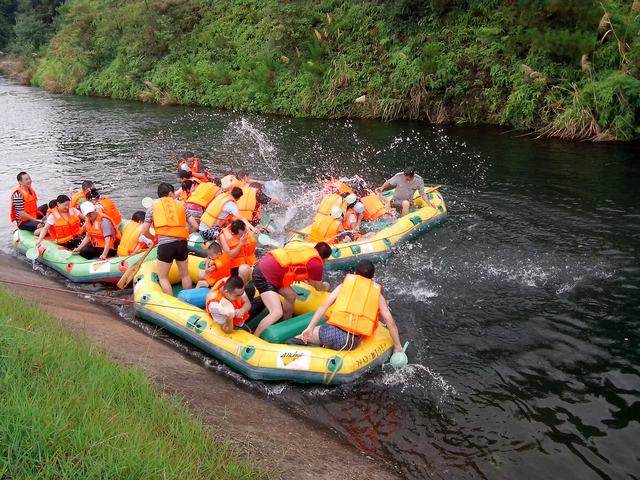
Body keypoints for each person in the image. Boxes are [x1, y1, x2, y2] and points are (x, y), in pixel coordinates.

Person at [297, 260, 403, 353]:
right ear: (372, 277)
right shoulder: (378, 296)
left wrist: (310, 328)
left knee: (300, 338)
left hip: (328, 332)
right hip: (349, 341)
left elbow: (324, 305)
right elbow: (390, 322)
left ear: (355, 273)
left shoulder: (343, 286)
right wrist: (397, 346)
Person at [251, 242, 332, 338]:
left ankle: (285, 324)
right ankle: (255, 336)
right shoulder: (316, 264)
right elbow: (317, 286)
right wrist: (326, 286)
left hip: (268, 270)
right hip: (263, 275)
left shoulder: (307, 250)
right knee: (276, 312)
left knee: (291, 296)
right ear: (325, 258)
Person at [138, 182, 192, 295]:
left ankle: (171, 303)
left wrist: (153, 238)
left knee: (163, 277)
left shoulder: (152, 208)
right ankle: (189, 299)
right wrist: (185, 233)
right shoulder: (181, 205)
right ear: (170, 193)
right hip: (182, 243)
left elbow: (144, 231)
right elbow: (195, 226)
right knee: (185, 274)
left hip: (165, 245)